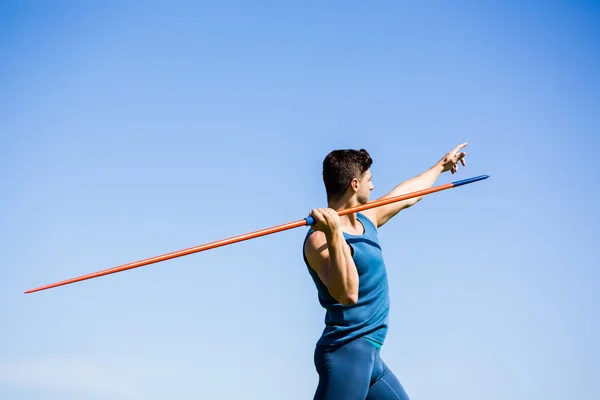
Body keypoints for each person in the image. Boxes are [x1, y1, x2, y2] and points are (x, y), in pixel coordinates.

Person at [303, 143, 468, 399]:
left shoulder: (367, 218)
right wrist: (334, 233)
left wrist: (440, 167)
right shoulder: (319, 241)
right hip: (346, 354)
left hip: (371, 355)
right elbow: (347, 293)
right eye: (369, 180)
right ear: (354, 184)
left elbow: (408, 194)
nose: (373, 186)